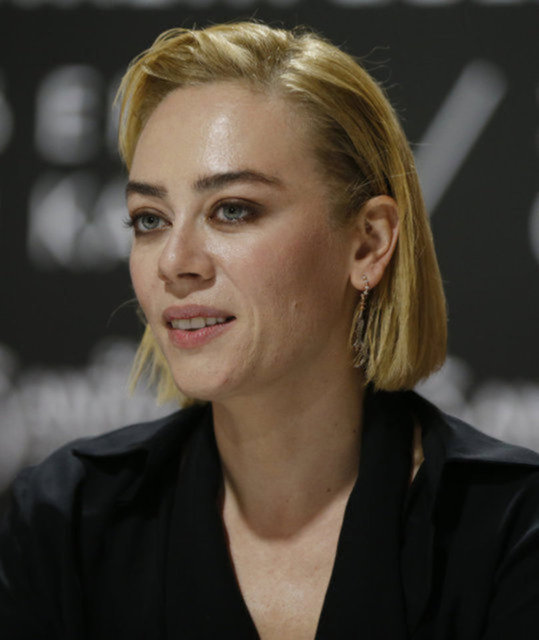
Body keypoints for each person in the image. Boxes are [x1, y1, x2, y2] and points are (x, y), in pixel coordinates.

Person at [1, 21, 538, 640]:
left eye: (232, 210)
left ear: (368, 243)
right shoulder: (65, 520)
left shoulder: (511, 528)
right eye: (149, 219)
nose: (174, 262)